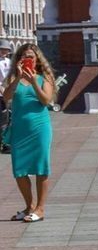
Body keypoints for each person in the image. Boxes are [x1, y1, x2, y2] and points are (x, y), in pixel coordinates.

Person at [2, 43, 56, 222]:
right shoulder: (13, 78)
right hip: (19, 129)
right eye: (24, 57)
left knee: (41, 167)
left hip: (40, 128)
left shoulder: (44, 77)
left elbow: (46, 100)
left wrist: (33, 81)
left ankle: (40, 209)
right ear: (18, 60)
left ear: (37, 59)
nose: (28, 60)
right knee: (19, 169)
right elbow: (6, 97)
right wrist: (19, 77)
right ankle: (29, 206)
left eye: (31, 57)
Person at [0, 40, 12, 154]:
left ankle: (6, 142)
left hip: (8, 92)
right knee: (2, 118)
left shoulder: (9, 61)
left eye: (6, 49)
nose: (5, 51)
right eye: (2, 49)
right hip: (1, 93)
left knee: (7, 118)